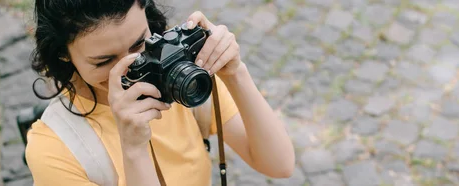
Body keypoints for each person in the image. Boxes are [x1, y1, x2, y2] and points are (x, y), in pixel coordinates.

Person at [24, 0, 296, 185]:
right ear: (62, 53)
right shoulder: (53, 149)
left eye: (139, 44)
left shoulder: (177, 71)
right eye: (104, 61)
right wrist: (133, 149)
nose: (128, 67)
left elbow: (279, 164)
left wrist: (236, 72)